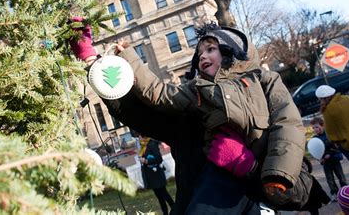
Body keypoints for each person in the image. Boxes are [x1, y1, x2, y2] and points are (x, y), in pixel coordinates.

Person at [69, 19, 315, 213]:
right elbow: (148, 100)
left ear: (233, 52)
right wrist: (93, 60)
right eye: (200, 54)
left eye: (211, 49)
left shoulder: (263, 84)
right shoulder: (191, 104)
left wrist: (251, 168)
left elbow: (291, 141)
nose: (203, 57)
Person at [310, 117, 348, 200]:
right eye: (313, 128)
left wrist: (329, 154)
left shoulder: (329, 135)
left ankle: (346, 193)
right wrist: (319, 158)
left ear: (322, 126)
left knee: (341, 177)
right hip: (325, 162)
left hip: (334, 159)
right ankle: (335, 194)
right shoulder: (314, 139)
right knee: (329, 179)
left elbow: (336, 147)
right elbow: (315, 151)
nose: (315, 129)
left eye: (316, 127)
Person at [138, 134, 174, 215]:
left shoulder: (151, 144)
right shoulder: (144, 146)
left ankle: (175, 208)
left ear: (143, 136)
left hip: (157, 176)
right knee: (160, 197)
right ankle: (165, 212)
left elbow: (159, 158)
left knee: (165, 195)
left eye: (139, 136)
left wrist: (147, 161)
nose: (138, 138)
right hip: (152, 177)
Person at [315, 85, 349, 163]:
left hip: (348, 144)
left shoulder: (328, 109)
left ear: (323, 98)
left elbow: (330, 132)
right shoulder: (347, 99)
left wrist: (335, 143)